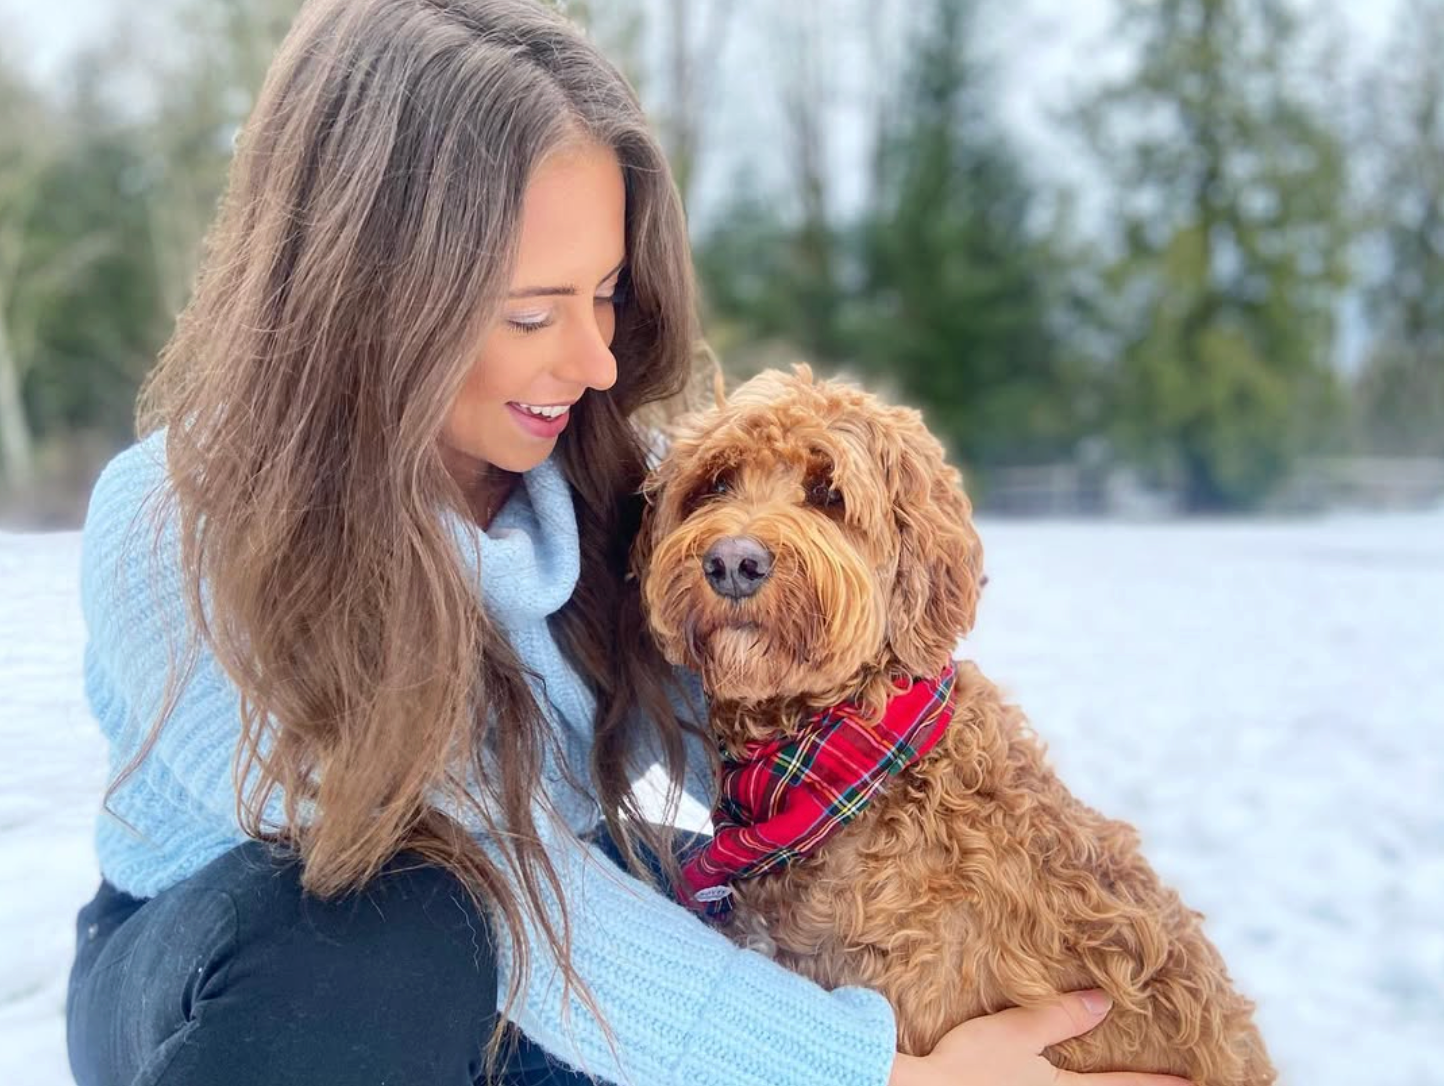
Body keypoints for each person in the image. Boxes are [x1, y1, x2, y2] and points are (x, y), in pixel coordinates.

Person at [64, 2, 1197, 1085]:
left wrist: (1049, 980)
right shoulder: (182, 522)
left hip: (538, 943)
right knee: (398, 923)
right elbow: (491, 870)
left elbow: (805, 719)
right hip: (254, 981)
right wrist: (874, 1075)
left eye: (605, 294)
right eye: (527, 312)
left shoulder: (605, 489)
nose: (596, 361)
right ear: (370, 293)